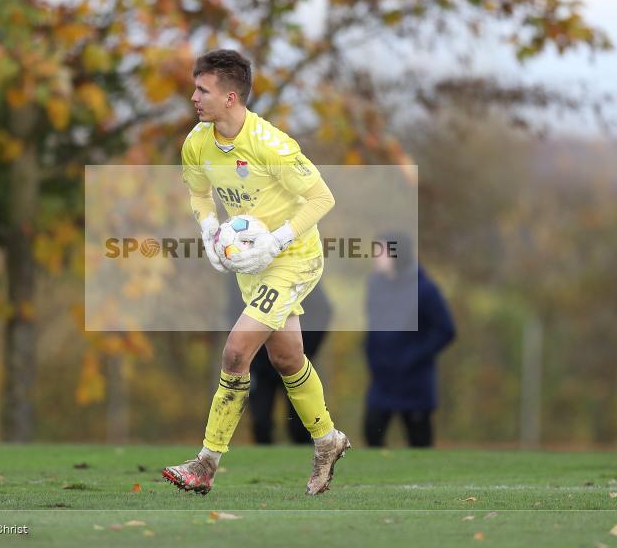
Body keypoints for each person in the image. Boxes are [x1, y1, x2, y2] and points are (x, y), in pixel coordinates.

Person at [162, 49, 350, 495]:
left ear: (230, 97)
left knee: (235, 352)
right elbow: (201, 194)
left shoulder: (271, 145)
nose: (194, 97)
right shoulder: (197, 142)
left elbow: (323, 198)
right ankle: (328, 441)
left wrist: (276, 239)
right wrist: (209, 231)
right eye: (194, 87)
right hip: (252, 264)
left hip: (294, 257)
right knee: (286, 359)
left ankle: (205, 465)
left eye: (202, 90)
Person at [363, 234, 455, 448]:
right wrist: (371, 354)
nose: (376, 257)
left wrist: (414, 356)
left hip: (414, 381)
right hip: (382, 380)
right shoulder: (375, 285)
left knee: (419, 442)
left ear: (397, 254)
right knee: (371, 432)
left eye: (382, 251)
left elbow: (446, 330)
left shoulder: (425, 290)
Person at [240, 283, 333, 444]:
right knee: (260, 422)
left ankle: (310, 460)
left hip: (294, 363)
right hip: (259, 365)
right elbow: (233, 314)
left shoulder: (296, 274)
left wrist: (304, 350)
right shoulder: (246, 276)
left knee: (301, 425)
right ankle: (264, 462)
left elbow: (323, 311)